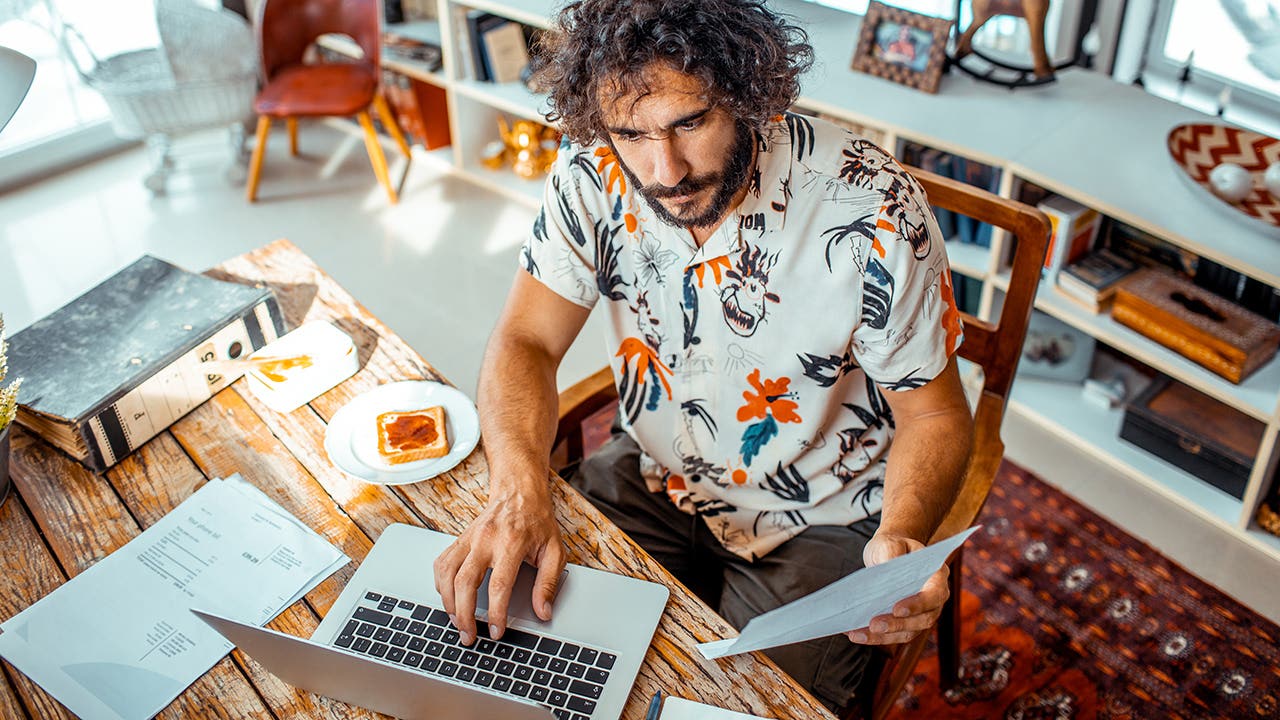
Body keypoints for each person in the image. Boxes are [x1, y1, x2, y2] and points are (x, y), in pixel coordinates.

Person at [432, 0, 973, 710]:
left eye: (690, 123)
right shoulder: (590, 174)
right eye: (632, 133)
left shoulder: (871, 211)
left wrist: (902, 532)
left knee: (748, 708)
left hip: (821, 513)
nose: (666, 170)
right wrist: (518, 486)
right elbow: (526, 339)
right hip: (656, 474)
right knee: (522, 656)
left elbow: (935, 415)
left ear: (749, 90)